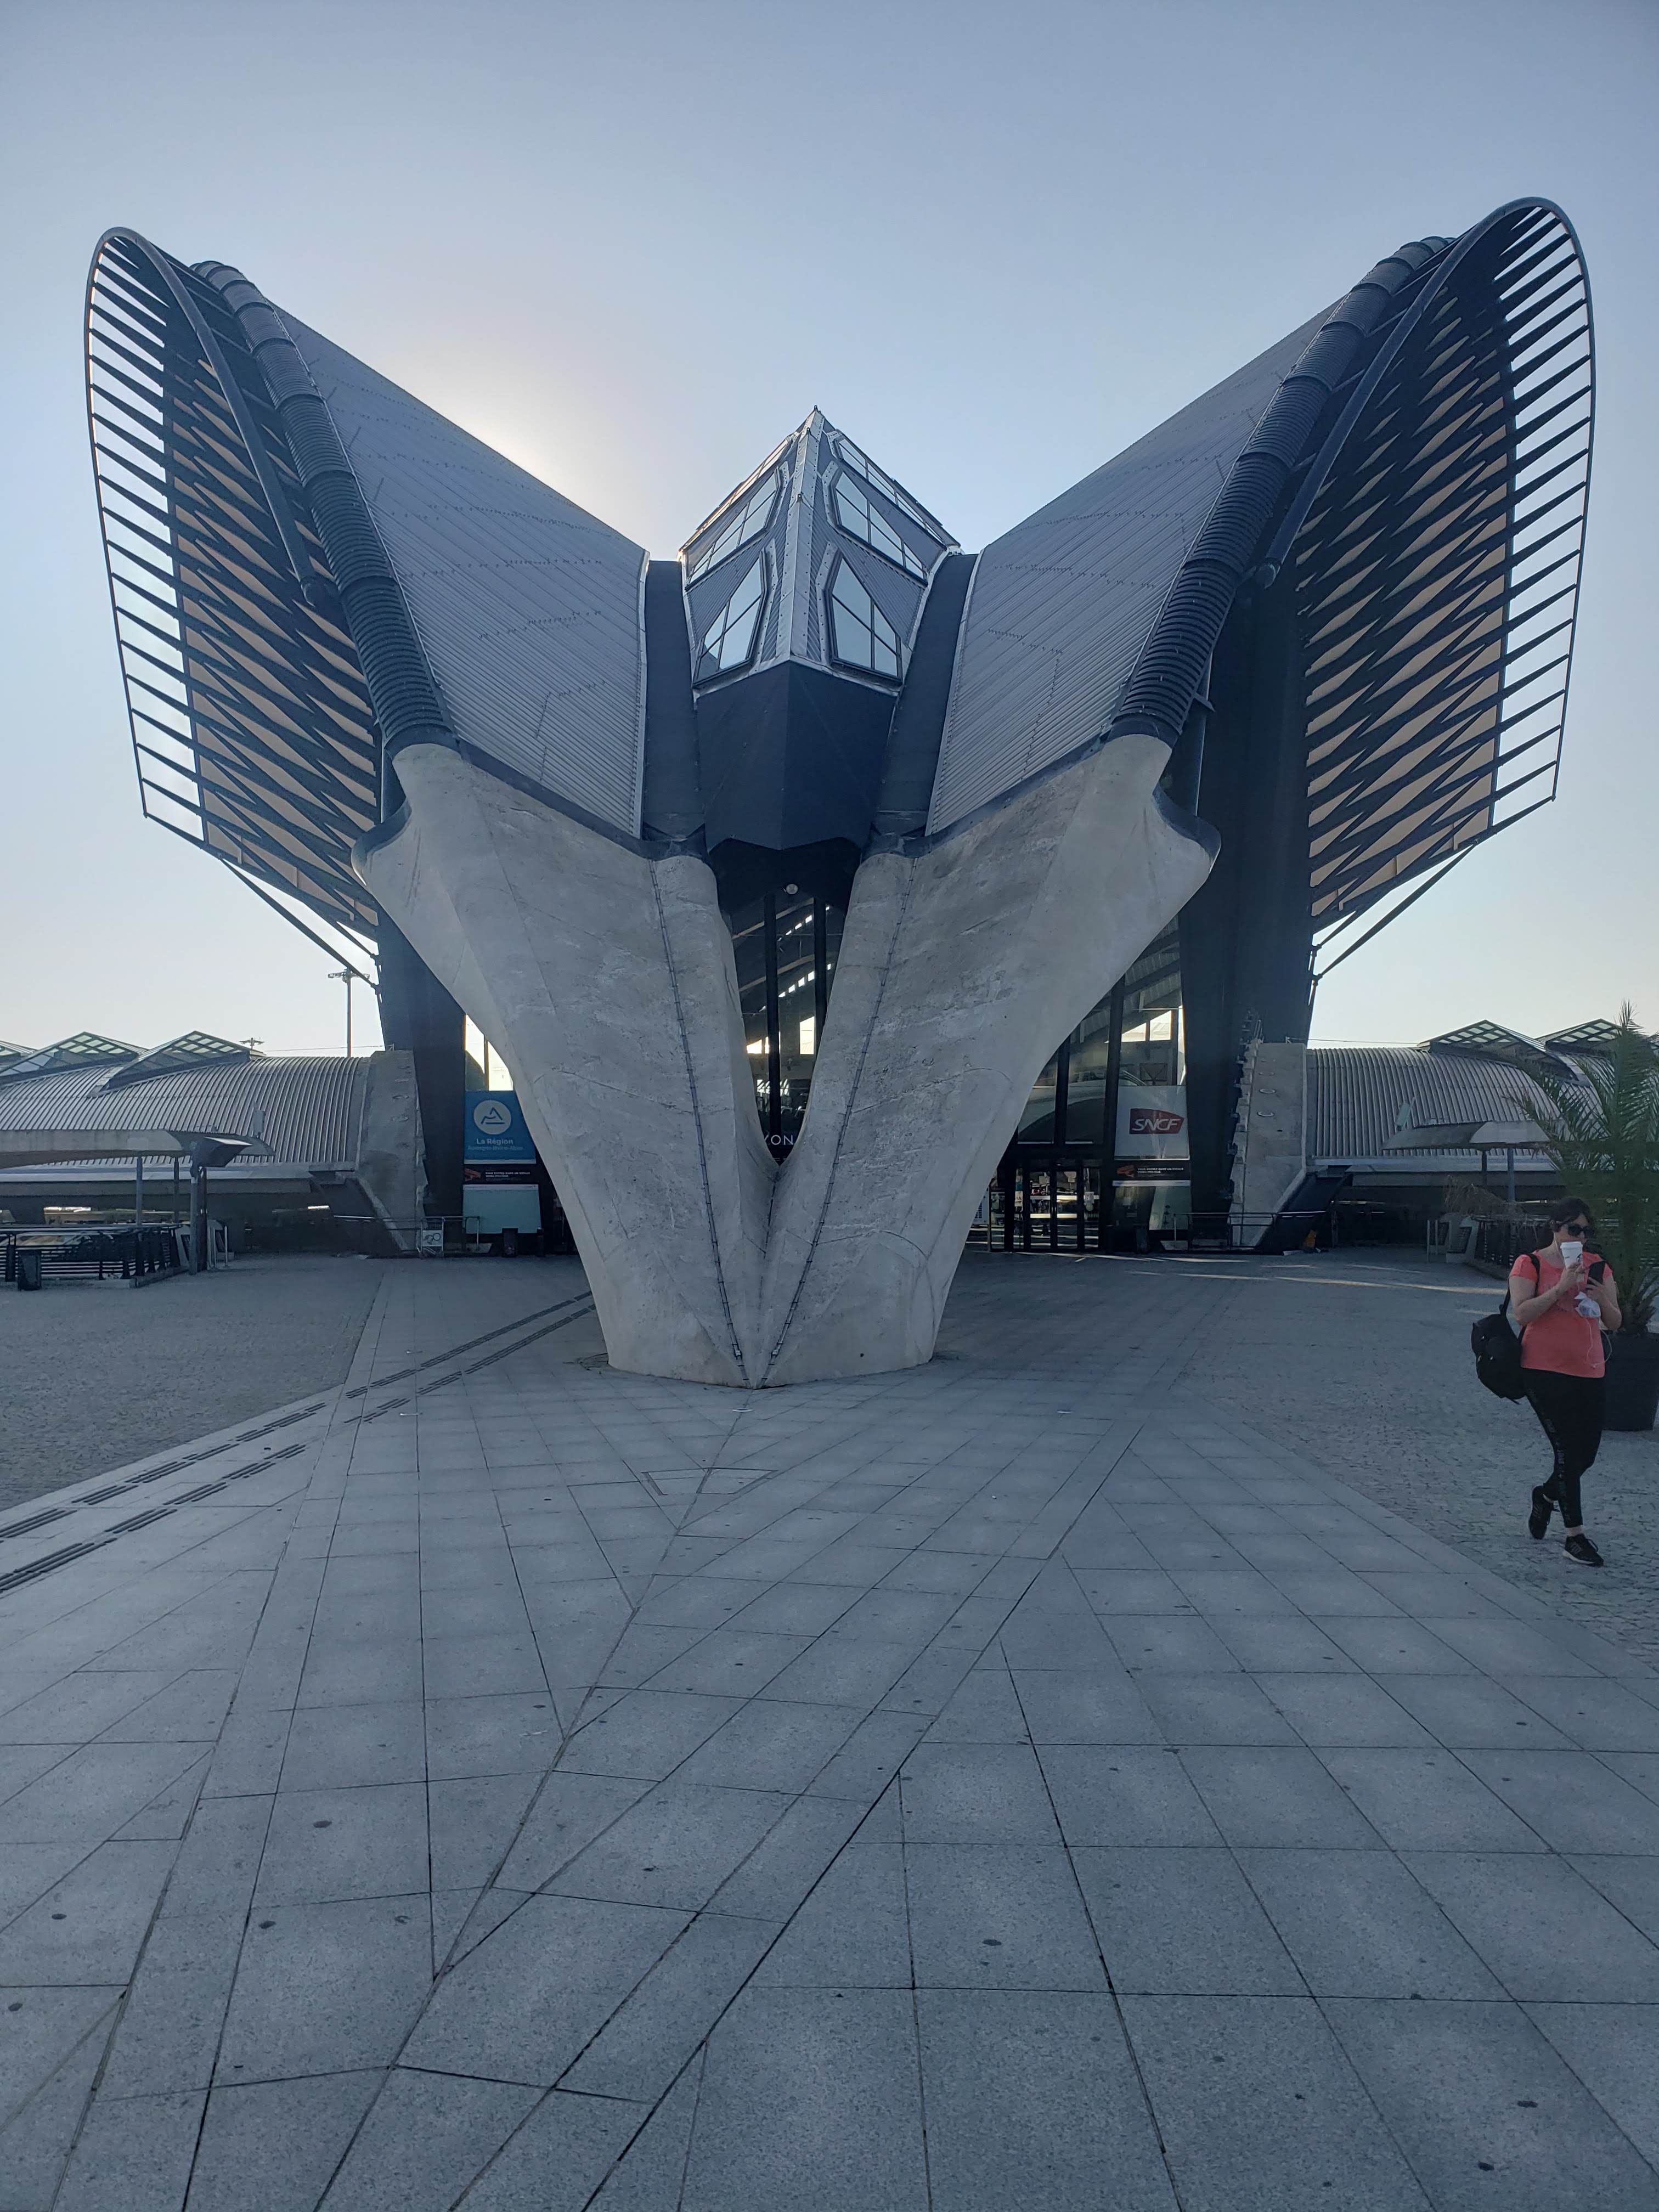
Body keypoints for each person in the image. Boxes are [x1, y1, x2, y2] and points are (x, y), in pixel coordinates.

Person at [1509, 1196, 1621, 1566]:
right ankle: (1575, 1536)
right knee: (1566, 1451)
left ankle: (1545, 1496)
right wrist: (1560, 1289)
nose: (1581, 1238)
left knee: (1585, 1456)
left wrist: (1602, 1299)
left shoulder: (1598, 1266)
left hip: (1589, 1369)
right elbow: (1522, 1314)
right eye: (1574, 1229)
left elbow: (1615, 1322)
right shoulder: (1531, 1264)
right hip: (1542, 1369)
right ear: (1555, 1228)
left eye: (1587, 1231)